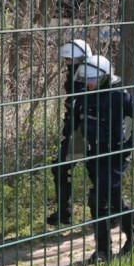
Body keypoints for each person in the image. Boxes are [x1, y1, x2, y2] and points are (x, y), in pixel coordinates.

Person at [66, 55, 134, 264]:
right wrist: (67, 150)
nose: (89, 83)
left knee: (98, 200)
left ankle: (103, 251)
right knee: (113, 200)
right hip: (93, 153)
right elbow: (73, 123)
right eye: (87, 79)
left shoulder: (119, 95)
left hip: (115, 155)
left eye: (93, 79)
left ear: (104, 76)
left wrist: (130, 145)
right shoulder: (84, 95)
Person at [48, 39, 92, 226]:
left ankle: (107, 212)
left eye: (71, 61)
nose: (67, 65)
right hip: (76, 132)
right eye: (66, 61)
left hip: (90, 131)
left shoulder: (90, 76)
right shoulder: (75, 76)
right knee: (60, 167)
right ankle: (64, 211)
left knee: (98, 173)